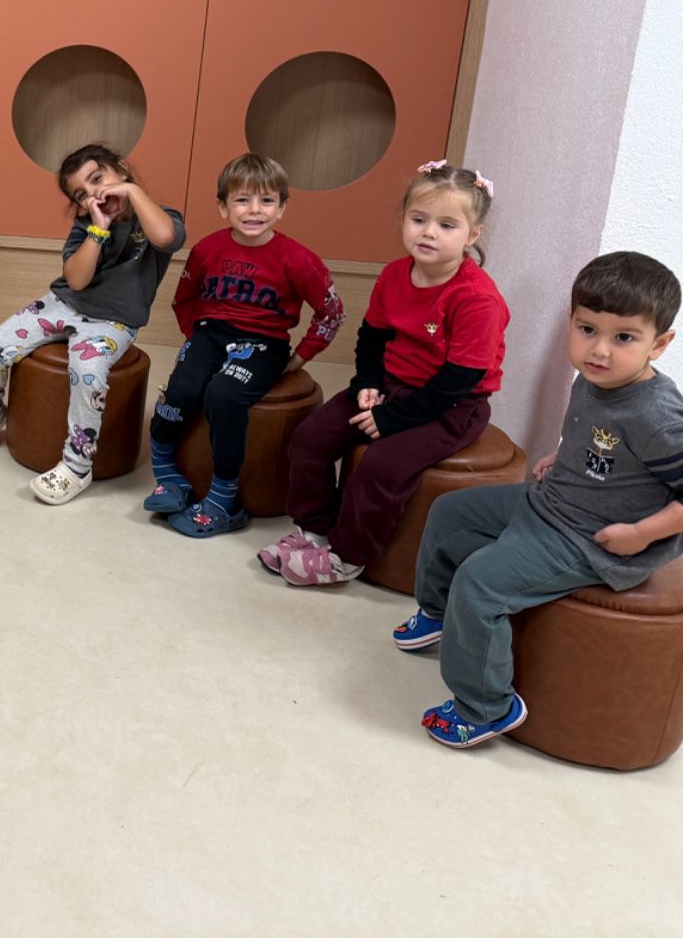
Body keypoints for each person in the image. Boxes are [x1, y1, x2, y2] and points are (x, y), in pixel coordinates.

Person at [397, 251, 682, 748]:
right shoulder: (593, 378)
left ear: (658, 344)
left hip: (590, 540)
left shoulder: (658, 416)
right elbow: (600, 445)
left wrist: (641, 535)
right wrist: (559, 457)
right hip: (553, 501)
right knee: (450, 513)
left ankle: (485, 707)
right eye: (587, 329)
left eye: (624, 338)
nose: (599, 350)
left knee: (479, 583)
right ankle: (441, 614)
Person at [261, 161, 507, 585]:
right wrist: (368, 383)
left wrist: (392, 418)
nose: (429, 232)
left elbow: (459, 380)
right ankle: (315, 532)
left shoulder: (476, 299)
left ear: (473, 235)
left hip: (452, 404)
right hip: (391, 385)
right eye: (419, 219)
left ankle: (347, 556)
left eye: (447, 225)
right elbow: (372, 338)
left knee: (380, 465)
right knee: (310, 438)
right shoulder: (394, 274)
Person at [0, 144, 184, 505]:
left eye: (98, 179)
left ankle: (77, 467)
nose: (94, 193)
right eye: (82, 194)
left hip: (113, 322)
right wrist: (98, 230)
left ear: (121, 170)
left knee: (87, 375)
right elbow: (76, 281)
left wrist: (131, 191)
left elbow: (166, 238)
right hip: (63, 305)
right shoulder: (85, 227)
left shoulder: (159, 216)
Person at [146, 153, 344, 536]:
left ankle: (225, 499)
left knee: (222, 394)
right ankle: (168, 475)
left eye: (266, 200)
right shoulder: (207, 250)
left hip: (263, 343)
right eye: (242, 200)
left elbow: (332, 312)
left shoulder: (298, 259)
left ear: (282, 208)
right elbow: (183, 299)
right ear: (223, 207)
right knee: (182, 388)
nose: (255, 210)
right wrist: (196, 343)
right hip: (210, 334)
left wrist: (301, 357)